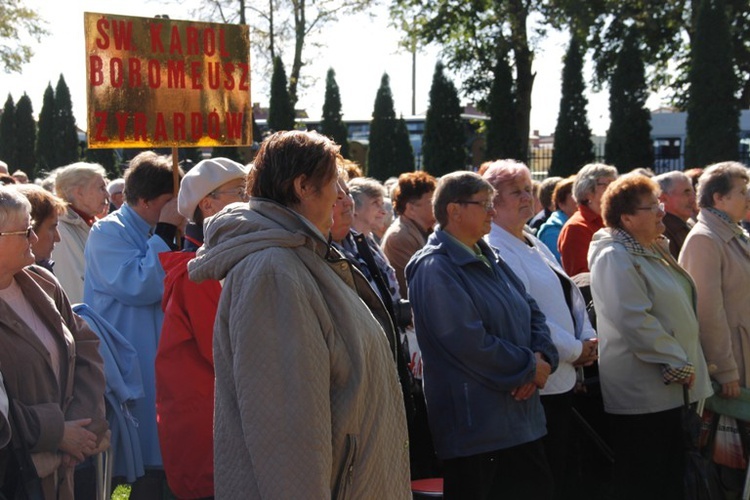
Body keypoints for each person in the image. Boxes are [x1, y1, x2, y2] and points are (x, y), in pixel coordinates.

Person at [187, 131, 410, 499]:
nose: (343, 197)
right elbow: (285, 432)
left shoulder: (303, 257)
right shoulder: (273, 272)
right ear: (302, 186)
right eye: (336, 184)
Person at [406, 171, 559, 499]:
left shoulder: (489, 256)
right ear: (454, 211)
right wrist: (528, 367)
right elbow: (467, 343)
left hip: (519, 422)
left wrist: (543, 357)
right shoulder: (435, 268)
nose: (492, 211)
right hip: (477, 430)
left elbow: (532, 311)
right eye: (484, 204)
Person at [588, 174, 712, 500]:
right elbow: (634, 319)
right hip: (644, 393)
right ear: (627, 218)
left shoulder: (648, 248)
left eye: (659, 204)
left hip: (667, 388)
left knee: (667, 479)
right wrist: (676, 359)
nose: (661, 212)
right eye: (652, 207)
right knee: (646, 480)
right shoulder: (615, 255)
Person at [483, 161, 597, 498]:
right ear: (493, 201)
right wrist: (576, 350)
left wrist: (586, 336)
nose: (526, 197)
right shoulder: (496, 245)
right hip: (540, 379)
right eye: (515, 191)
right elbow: (528, 314)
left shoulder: (530, 238)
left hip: (562, 374)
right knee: (541, 479)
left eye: (529, 189)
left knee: (560, 471)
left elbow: (569, 292)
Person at [83, 151, 184, 498]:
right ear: (144, 200)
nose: (177, 210)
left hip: (161, 355)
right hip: (130, 358)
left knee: (163, 453)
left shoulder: (161, 228)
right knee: (130, 466)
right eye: (170, 202)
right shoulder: (108, 232)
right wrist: (169, 231)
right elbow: (140, 284)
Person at [0, 187, 107, 500]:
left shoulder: (42, 282)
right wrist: (57, 433)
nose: (35, 239)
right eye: (25, 231)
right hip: (16, 475)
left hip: (60, 473)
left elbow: (85, 348)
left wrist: (83, 428)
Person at [155, 157, 247, 500]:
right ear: (207, 204)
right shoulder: (198, 273)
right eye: (240, 192)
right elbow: (224, 351)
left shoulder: (210, 263)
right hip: (207, 428)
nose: (249, 200)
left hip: (217, 419)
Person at [680, 162, 750, 398]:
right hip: (734, 362)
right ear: (719, 197)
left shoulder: (733, 233)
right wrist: (724, 368)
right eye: (742, 191)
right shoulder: (705, 240)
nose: (748, 196)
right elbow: (707, 310)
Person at [51, 162, 109, 303]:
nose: (107, 194)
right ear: (79, 192)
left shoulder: (90, 223)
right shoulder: (60, 229)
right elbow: (75, 289)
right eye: (101, 188)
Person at [381, 171, 437, 297]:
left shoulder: (426, 230)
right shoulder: (400, 237)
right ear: (411, 208)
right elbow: (424, 284)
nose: (437, 205)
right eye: (431, 201)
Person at [558, 163, 618, 277]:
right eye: (607, 184)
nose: (614, 190)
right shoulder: (576, 228)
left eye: (615, 184)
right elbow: (582, 278)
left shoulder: (613, 222)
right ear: (588, 193)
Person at [13, 184, 67, 271]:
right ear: (28, 229)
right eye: (52, 227)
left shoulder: (43, 272)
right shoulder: (7, 282)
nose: (58, 238)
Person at [654, 171, 697, 258]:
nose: (693, 198)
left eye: (693, 192)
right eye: (686, 192)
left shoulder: (689, 224)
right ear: (663, 198)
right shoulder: (661, 232)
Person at [537, 177, 577, 263]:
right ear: (561, 203)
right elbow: (561, 267)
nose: (580, 200)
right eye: (575, 195)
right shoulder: (551, 231)